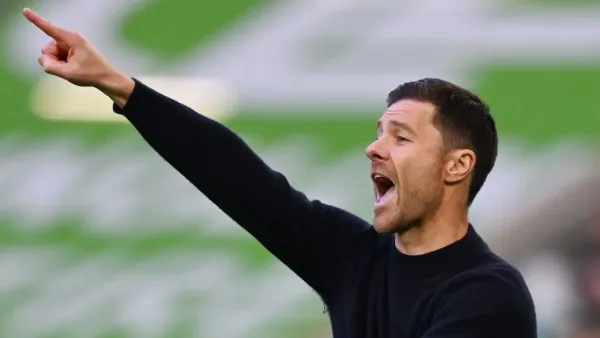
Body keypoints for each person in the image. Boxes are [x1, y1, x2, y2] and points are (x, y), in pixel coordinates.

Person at [21, 7, 537, 338]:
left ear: (457, 165)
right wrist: (117, 84)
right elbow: (238, 177)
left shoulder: (487, 295)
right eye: (378, 132)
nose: (373, 149)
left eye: (400, 137)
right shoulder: (354, 257)